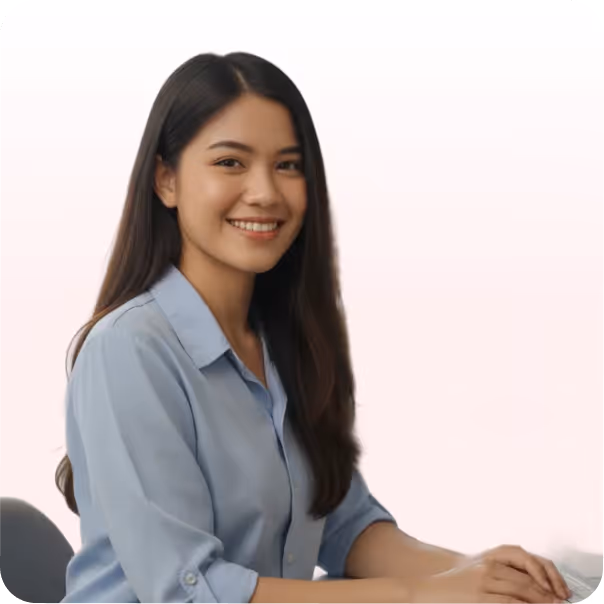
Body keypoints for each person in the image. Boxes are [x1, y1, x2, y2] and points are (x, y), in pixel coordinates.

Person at [55, 52, 572, 604]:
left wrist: (477, 572)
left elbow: (347, 527)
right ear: (166, 180)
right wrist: (422, 596)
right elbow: (189, 590)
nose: (266, 192)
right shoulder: (129, 351)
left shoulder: (286, 344)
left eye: (288, 165)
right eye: (230, 162)